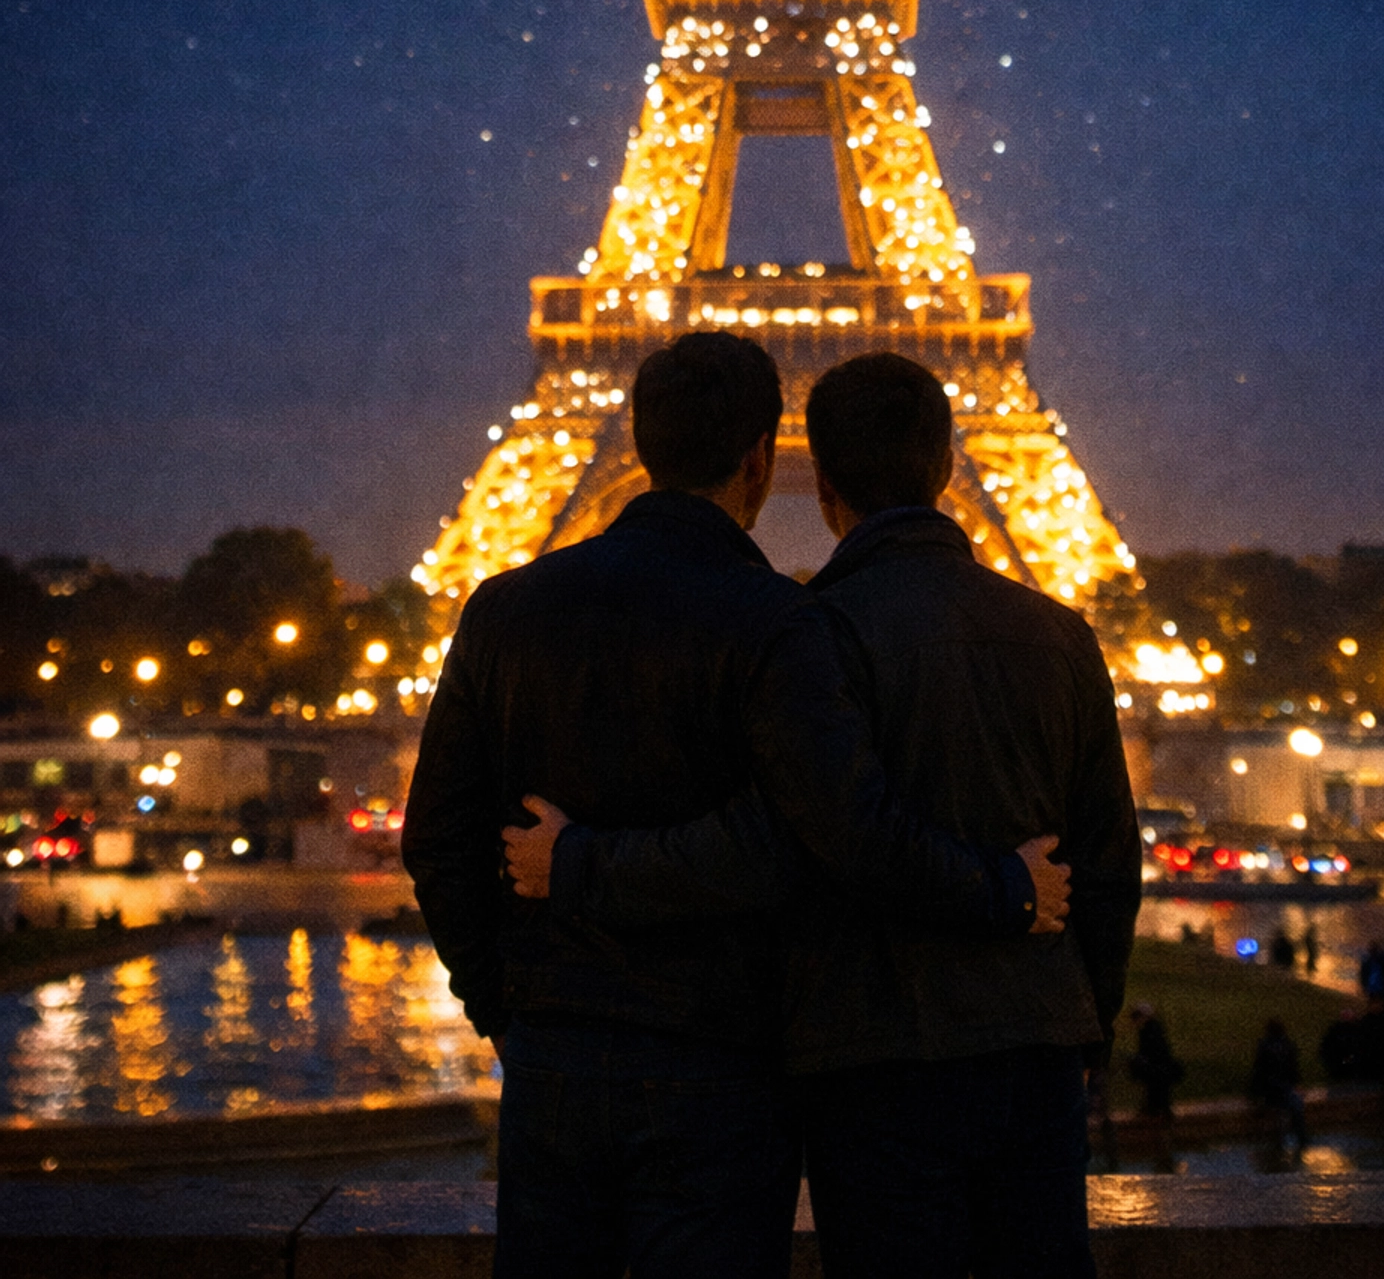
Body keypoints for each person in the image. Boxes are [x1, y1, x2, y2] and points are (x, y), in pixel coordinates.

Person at [402, 333, 1063, 1279]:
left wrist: (505, 1004)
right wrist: (1001, 889)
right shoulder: (779, 621)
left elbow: (438, 841)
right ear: (763, 454)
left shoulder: (503, 610)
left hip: (553, 1051)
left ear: (638, 442)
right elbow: (810, 835)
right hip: (720, 1062)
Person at [1249, 1017, 1306, 1147]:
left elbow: (1258, 1070)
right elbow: (1293, 1069)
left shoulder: (1264, 1045)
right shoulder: (1287, 1045)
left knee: (1279, 1113)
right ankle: (1301, 1139)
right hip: (1281, 1089)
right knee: (1294, 1109)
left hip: (1271, 1089)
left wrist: (1254, 1092)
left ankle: (1280, 1141)